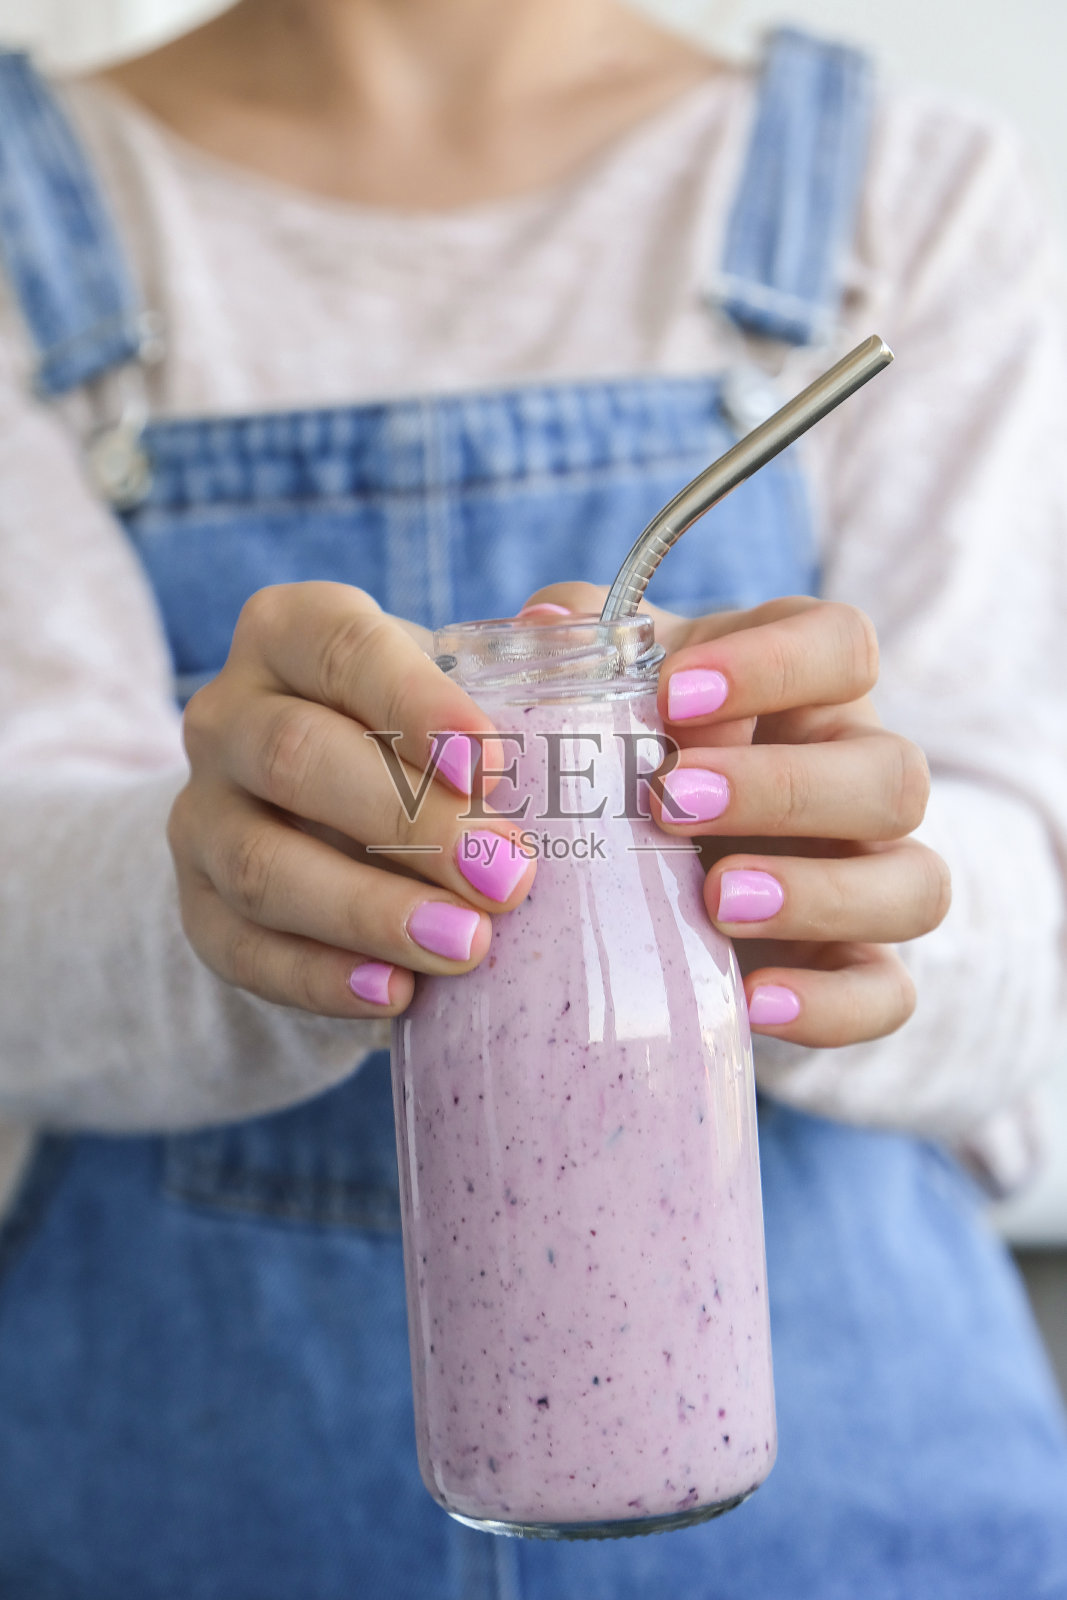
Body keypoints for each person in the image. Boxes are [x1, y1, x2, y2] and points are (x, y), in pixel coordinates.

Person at [0, 1, 1065, 1595]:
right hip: (192, 1507)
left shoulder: (904, 200)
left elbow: (1033, 976)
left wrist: (836, 900)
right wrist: (228, 890)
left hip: (866, 1519)